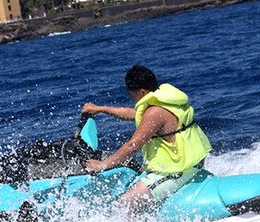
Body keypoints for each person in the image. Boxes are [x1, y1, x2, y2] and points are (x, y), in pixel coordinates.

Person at [81, 65, 212, 213]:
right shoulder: (169, 102)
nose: (133, 100)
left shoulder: (155, 112)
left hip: (178, 171)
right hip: (192, 163)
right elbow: (133, 114)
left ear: (142, 92)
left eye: (133, 96)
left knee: (124, 203)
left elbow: (132, 146)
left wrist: (103, 165)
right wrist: (100, 109)